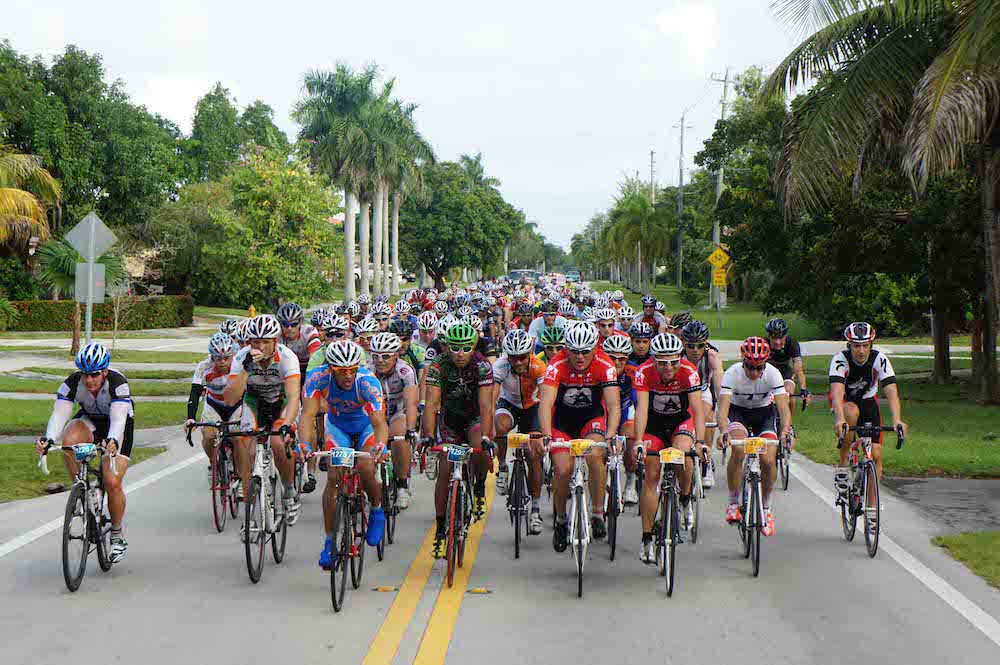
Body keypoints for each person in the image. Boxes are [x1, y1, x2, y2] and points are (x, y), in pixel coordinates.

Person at [37, 342, 134, 563]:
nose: (89, 380)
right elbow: (59, 415)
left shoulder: (118, 383)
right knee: (69, 437)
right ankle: (79, 487)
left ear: (105, 372)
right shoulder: (72, 383)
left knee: (112, 481)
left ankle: (117, 536)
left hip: (117, 426)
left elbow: (118, 419)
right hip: (90, 420)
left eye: (95, 375)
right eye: (85, 375)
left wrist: (112, 441)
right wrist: (49, 438)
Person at [299, 340, 388, 569]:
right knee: (334, 477)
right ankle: (330, 540)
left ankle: (377, 509)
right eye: (341, 371)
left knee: (367, 467)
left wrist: (380, 445)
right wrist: (304, 445)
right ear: (330, 368)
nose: (348, 376)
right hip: (338, 427)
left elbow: (379, 423)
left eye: (352, 369)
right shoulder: (317, 378)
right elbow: (308, 416)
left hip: (366, 427)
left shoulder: (368, 382)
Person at [539, 321, 620, 550]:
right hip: (562, 422)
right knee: (563, 469)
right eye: (574, 350)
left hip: (590, 420)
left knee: (595, 456)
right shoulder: (557, 364)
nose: (580, 356)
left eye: (586, 351)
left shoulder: (605, 364)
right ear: (566, 349)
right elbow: (545, 404)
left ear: (596, 347)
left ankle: (596, 513)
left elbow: (613, 405)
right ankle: (561, 519)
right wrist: (546, 434)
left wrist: (611, 434)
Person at [421, 322, 496, 558]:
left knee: (479, 448)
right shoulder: (438, 365)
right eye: (454, 348)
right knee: (445, 471)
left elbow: (486, 405)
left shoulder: (482, 365)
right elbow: (431, 404)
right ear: (447, 347)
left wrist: (486, 436)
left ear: (473, 346)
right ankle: (441, 527)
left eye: (465, 348)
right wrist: (428, 435)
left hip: (474, 417)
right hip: (449, 420)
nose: (460, 354)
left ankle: (478, 487)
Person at [222, 315, 302, 533]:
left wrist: (287, 424)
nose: (260, 346)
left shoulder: (287, 357)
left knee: (278, 442)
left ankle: (289, 490)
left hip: (281, 403)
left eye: (266, 341)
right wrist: (246, 369)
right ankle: (250, 509)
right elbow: (230, 399)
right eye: (255, 341)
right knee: (242, 442)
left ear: (275, 341)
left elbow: (294, 397)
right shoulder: (241, 358)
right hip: (255, 404)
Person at [632, 333, 705, 561]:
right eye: (662, 362)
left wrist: (701, 442)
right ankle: (646, 537)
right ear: (653, 360)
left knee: (684, 455)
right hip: (653, 424)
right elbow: (642, 410)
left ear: (679, 358)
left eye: (673, 361)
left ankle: (684, 498)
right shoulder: (644, 372)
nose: (669, 367)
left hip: (680, 422)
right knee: (651, 475)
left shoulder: (689, 371)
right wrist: (638, 441)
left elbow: (697, 409)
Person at [716, 336, 791, 537]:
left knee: (768, 459)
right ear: (743, 361)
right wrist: (723, 431)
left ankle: (766, 509)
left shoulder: (773, 374)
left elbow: (783, 408)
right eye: (750, 367)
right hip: (737, 412)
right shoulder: (732, 374)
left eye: (759, 368)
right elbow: (722, 410)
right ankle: (733, 502)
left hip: (763, 414)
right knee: (739, 450)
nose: (755, 372)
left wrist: (785, 431)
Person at [829, 322, 907, 490]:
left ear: (871, 345)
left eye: (865, 345)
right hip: (845, 400)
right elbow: (836, 392)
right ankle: (843, 465)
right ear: (849, 345)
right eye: (856, 346)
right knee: (850, 411)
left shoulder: (880, 359)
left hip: (868, 400)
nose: (861, 351)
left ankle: (872, 509)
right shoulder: (840, 360)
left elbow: (891, 391)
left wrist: (897, 420)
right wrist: (839, 419)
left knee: (876, 454)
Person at [493, 330, 547, 534]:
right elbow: (492, 396)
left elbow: (545, 399)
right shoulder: (500, 365)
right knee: (499, 426)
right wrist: (489, 423)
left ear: (530, 354)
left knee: (533, 454)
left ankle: (535, 509)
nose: (517, 362)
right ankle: (503, 467)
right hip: (510, 404)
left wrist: (543, 432)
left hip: (533, 407)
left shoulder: (538, 366)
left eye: (522, 357)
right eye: (513, 357)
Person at [368, 332, 419, 509]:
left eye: (386, 356)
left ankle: (403, 485)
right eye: (376, 356)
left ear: (396, 355)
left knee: (400, 435)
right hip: (376, 413)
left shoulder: (405, 371)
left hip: (398, 412)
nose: (380, 360)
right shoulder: (367, 371)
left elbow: (411, 403)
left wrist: (411, 430)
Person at [277, 302, 322, 493]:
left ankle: (310, 471)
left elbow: (315, 362)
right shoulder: (276, 337)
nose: (289, 328)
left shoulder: (310, 334)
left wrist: (306, 391)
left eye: (293, 324)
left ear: (301, 323)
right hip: (286, 373)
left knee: (307, 418)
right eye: (285, 324)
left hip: (307, 372)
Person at [186, 333, 242, 484]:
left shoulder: (239, 364)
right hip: (214, 405)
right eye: (218, 358)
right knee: (209, 436)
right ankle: (214, 463)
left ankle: (239, 473)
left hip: (235, 404)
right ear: (212, 356)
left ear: (233, 354)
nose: (222, 362)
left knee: (238, 436)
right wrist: (191, 418)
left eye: (226, 357)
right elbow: (195, 393)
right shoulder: (204, 367)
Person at [680, 320, 724, 488]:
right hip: (682, 391)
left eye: (700, 345)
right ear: (684, 344)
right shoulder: (677, 355)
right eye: (691, 346)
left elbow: (720, 387)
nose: (695, 350)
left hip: (703, 389)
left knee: (706, 417)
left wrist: (722, 408)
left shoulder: (712, 356)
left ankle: (706, 461)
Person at [765, 318, 810, 432]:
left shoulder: (792, 344)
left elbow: (798, 369)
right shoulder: (763, 344)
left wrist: (803, 388)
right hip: (767, 373)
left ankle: (789, 424)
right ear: (769, 336)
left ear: (786, 336)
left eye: (781, 338)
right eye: (774, 338)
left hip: (784, 373)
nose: (778, 342)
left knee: (789, 392)